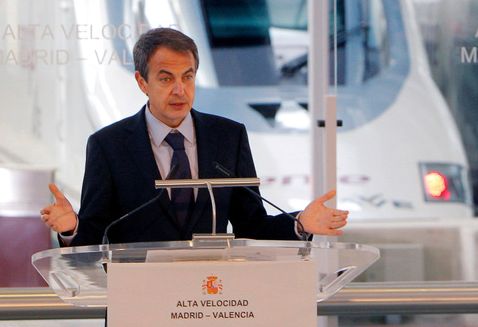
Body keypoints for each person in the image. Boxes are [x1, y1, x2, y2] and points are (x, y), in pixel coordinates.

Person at [40, 27, 348, 245]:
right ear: (141, 82)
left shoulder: (229, 137)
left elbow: (251, 226)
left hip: (209, 308)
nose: (180, 90)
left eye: (188, 77)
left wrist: (300, 224)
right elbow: (96, 233)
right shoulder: (109, 145)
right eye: (166, 78)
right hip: (138, 312)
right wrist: (72, 227)